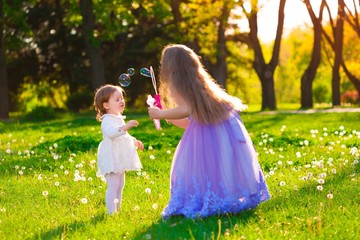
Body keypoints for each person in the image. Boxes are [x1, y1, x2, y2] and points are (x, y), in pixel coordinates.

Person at [148, 44, 270, 219]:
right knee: (219, 168)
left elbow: (187, 109)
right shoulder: (199, 84)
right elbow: (188, 122)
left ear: (170, 67)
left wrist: (161, 113)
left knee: (205, 168)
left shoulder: (179, 84)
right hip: (220, 132)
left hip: (212, 134)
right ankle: (225, 197)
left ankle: (213, 199)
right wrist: (166, 115)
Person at [94, 84, 144, 214]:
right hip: (112, 158)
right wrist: (125, 127)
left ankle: (118, 209)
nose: (122, 101)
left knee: (120, 185)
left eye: (122, 98)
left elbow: (124, 137)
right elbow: (111, 133)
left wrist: (134, 141)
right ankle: (111, 212)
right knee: (113, 185)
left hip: (120, 158)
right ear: (106, 105)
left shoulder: (118, 118)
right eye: (117, 99)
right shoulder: (107, 120)